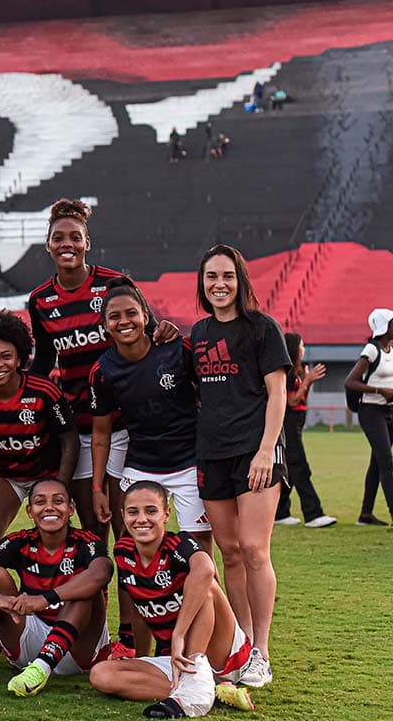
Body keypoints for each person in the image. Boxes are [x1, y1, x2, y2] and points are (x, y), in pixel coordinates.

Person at [27, 198, 178, 543]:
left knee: (131, 530)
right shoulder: (39, 300)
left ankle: (141, 594)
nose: (68, 244)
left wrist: (167, 334)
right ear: (48, 245)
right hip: (82, 427)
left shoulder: (114, 284)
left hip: (129, 425)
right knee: (94, 529)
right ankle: (98, 597)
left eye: (75, 237)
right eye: (59, 238)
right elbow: (45, 359)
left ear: (87, 243)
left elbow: (150, 335)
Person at [190, 244, 291, 686]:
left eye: (227, 276)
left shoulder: (262, 329)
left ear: (240, 280)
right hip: (212, 453)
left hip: (256, 452)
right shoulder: (197, 333)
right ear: (202, 283)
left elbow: (278, 393)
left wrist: (267, 449)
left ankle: (263, 652)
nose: (219, 284)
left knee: (254, 549)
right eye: (212, 276)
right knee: (229, 552)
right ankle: (242, 644)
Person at [89, 481, 258, 718]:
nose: (141, 519)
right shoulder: (123, 551)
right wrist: (142, 659)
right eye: (133, 512)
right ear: (123, 515)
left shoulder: (180, 544)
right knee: (101, 675)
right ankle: (210, 692)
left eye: (151, 511)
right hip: (174, 656)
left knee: (204, 583)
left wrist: (179, 634)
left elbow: (206, 569)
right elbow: (139, 606)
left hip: (220, 653)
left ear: (166, 513)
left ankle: (199, 679)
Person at [89, 277, 213, 554]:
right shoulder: (103, 371)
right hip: (141, 465)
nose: (124, 321)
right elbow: (100, 433)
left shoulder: (178, 349)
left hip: (190, 464)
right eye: (114, 316)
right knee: (131, 545)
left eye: (131, 313)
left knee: (199, 548)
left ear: (145, 316)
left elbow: (211, 395)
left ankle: (202, 599)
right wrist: (98, 488)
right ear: (105, 325)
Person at [0, 478, 112, 695]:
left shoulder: (87, 542)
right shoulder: (21, 541)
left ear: (71, 509)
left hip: (78, 648)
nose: (49, 507)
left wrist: (45, 599)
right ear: (29, 511)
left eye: (58, 501)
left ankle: (41, 669)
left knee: (84, 586)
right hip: (29, 638)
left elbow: (101, 573)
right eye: (40, 501)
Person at [0, 310, 78, 537]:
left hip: (47, 472)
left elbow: (69, 439)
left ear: (19, 358)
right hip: (5, 474)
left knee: (54, 536)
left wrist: (61, 485)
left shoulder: (43, 390)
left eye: (6, 356)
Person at [274, 332, 335, 527]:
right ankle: (313, 513)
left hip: (297, 423)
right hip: (288, 425)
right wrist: (307, 380)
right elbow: (291, 401)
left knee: (291, 471)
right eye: (301, 345)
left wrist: (307, 380)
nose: (304, 349)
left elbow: (300, 399)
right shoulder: (288, 372)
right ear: (294, 349)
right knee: (300, 468)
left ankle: (280, 513)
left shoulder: (299, 372)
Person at [345, 307, 393, 526]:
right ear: (385, 327)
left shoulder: (390, 350)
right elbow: (350, 382)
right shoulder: (371, 350)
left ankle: (365, 515)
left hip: (388, 411)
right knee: (386, 462)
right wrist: (379, 391)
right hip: (371, 412)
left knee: (378, 462)